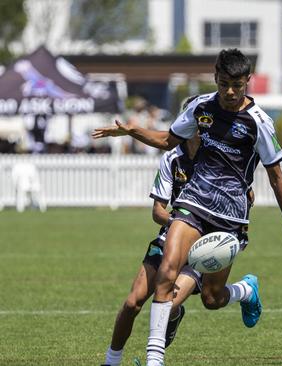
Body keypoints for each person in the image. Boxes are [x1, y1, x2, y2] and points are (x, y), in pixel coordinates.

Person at [93, 49, 282, 366]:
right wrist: (133, 131)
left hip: (230, 217)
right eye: (224, 84)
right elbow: (168, 139)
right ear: (216, 78)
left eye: (237, 85)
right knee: (167, 270)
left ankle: (245, 292)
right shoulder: (200, 107)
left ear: (248, 81)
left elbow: (276, 177)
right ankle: (155, 360)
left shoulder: (260, 123)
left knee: (212, 298)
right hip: (193, 203)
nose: (230, 92)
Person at [101, 96, 201, 366]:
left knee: (170, 304)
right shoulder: (172, 159)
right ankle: (111, 361)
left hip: (200, 249)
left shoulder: (217, 161)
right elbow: (157, 211)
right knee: (133, 302)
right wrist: (178, 224)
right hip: (168, 240)